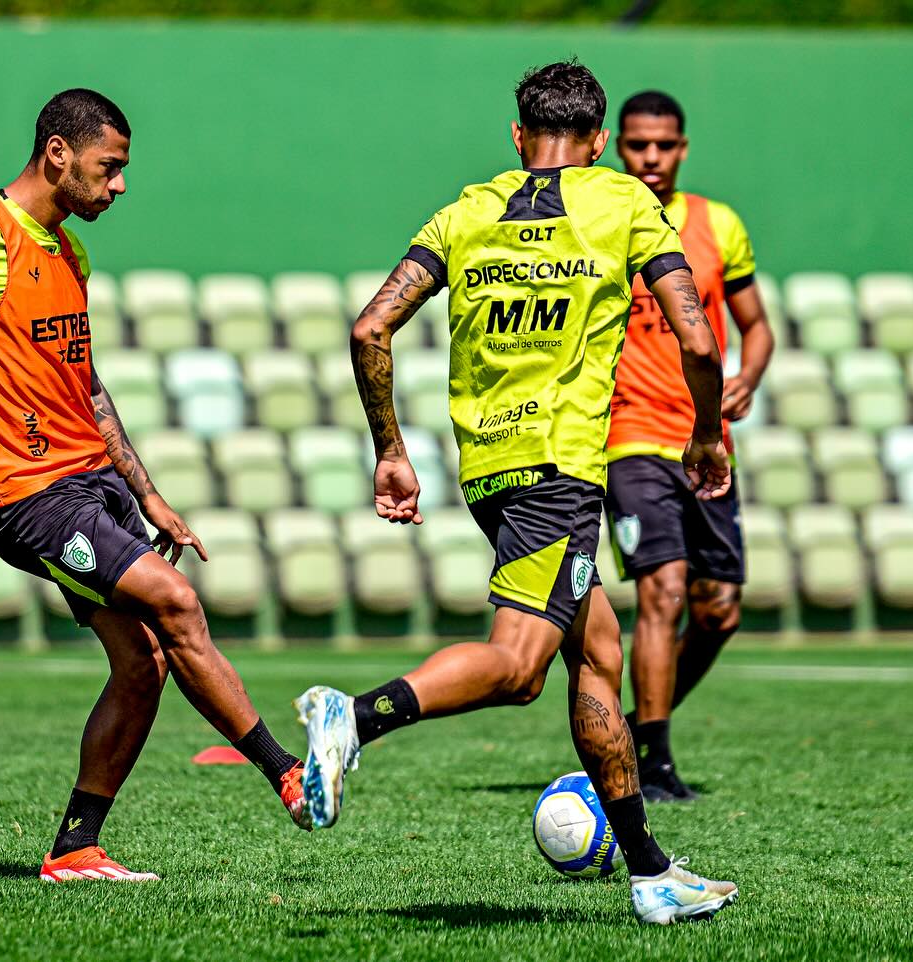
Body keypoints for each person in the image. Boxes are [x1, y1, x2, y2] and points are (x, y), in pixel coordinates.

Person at [0, 88, 309, 884]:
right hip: (27, 496)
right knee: (176, 604)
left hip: (91, 485)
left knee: (143, 662)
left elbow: (86, 387)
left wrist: (148, 494)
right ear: (59, 153)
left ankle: (75, 847)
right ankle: (288, 772)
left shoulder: (69, 252)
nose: (119, 186)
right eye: (109, 167)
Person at [295, 61, 739, 925]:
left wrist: (390, 447)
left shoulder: (467, 211)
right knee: (519, 669)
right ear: (602, 141)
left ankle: (650, 875)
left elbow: (371, 325)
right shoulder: (623, 206)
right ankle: (352, 717)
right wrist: (708, 430)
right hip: (561, 472)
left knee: (598, 655)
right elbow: (697, 333)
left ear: (517, 135)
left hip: (490, 472)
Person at [605, 90, 775, 802]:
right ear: (617, 144)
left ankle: (640, 720)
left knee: (719, 610)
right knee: (664, 592)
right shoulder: (600, 218)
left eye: (664, 146)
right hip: (628, 437)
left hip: (706, 441)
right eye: (638, 145)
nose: (651, 158)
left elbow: (756, 324)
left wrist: (748, 376)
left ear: (682, 147)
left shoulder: (717, 224)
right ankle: (654, 761)